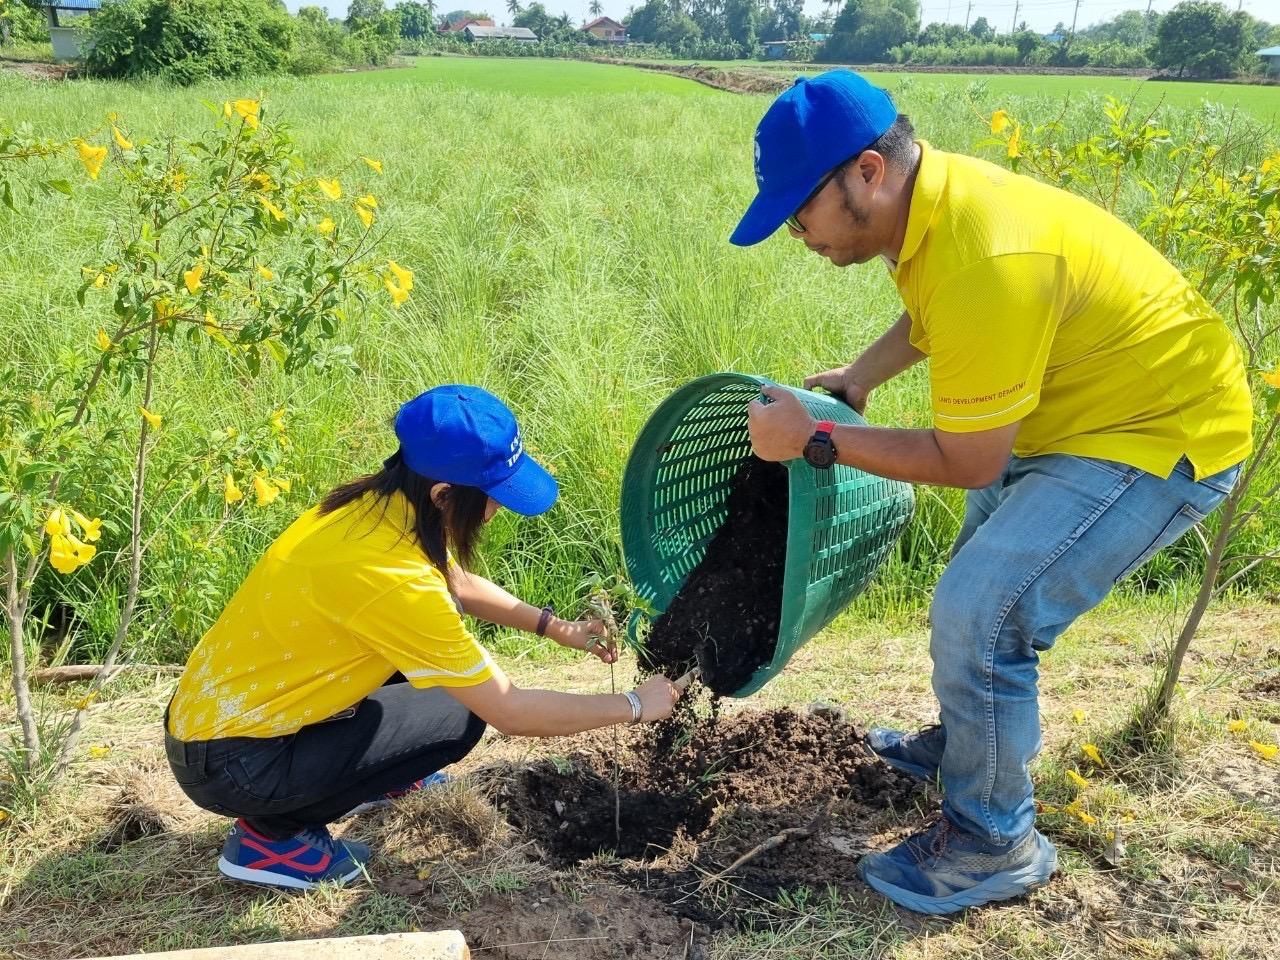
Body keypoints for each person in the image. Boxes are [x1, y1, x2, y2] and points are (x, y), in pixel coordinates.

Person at [735, 71, 1252, 914]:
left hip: (1158, 434)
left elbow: (967, 459)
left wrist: (817, 438)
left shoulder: (985, 249)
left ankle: (992, 841)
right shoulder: (930, 211)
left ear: (868, 171)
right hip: (1069, 410)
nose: (796, 230)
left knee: (984, 613)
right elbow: (937, 313)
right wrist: (861, 378)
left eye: (800, 207)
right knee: (977, 585)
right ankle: (971, 745)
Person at [165, 385, 683, 891]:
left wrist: (555, 627)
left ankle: (377, 771)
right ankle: (270, 838)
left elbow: (454, 580)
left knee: (438, 685)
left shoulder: (369, 510)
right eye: (491, 498)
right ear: (444, 495)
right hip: (237, 765)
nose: (495, 511)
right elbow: (511, 711)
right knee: (461, 713)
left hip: (222, 718)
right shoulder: (391, 581)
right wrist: (636, 703)